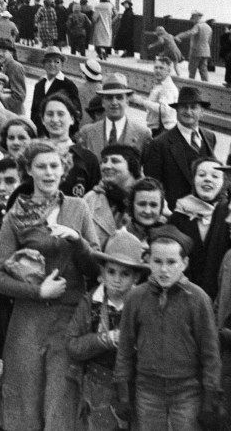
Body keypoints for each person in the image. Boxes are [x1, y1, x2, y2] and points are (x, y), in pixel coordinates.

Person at [0, 139, 100, 430]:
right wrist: (37, 291)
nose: (48, 172)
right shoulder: (16, 215)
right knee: (24, 402)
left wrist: (78, 241)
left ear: (64, 170)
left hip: (70, 318)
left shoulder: (79, 208)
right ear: (29, 171)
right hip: (28, 320)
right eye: (41, 166)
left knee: (61, 402)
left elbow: (98, 270)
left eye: (54, 166)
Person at [113, 226, 224, 430]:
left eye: (171, 262)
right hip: (147, 389)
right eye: (158, 261)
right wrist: (122, 391)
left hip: (187, 391)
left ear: (184, 263)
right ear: (148, 261)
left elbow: (211, 353)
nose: (164, 270)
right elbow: (125, 348)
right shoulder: (136, 298)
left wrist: (210, 397)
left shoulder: (198, 299)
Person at [65, 229, 149, 431]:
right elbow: (72, 345)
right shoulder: (91, 302)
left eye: (125, 274)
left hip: (136, 386)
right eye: (111, 271)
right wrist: (105, 339)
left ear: (136, 277)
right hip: (98, 385)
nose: (117, 279)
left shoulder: (144, 305)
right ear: (102, 272)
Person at [168, 157, 231, 299]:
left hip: (221, 299)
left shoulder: (228, 215)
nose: (208, 179)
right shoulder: (178, 217)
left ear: (224, 183)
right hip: (182, 298)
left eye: (215, 176)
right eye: (201, 175)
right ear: (193, 179)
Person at [142, 87, 217, 207]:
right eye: (183, 107)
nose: (188, 111)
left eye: (193, 107)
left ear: (202, 112)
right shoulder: (159, 143)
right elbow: (153, 185)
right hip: (175, 213)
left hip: (205, 211)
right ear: (176, 110)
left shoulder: (210, 137)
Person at [38, 92, 100, 198]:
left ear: (72, 119)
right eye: (49, 114)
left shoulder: (88, 159)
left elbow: (94, 201)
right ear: (43, 120)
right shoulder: (34, 154)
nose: (55, 119)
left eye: (60, 114)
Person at [74, 74, 151, 159]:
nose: (114, 102)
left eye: (119, 97)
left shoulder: (142, 134)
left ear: (127, 101)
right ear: (103, 102)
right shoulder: (87, 133)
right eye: (109, 98)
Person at [82, 144, 140, 249]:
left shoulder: (148, 196)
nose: (107, 166)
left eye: (115, 161)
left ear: (132, 166)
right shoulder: (91, 198)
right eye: (104, 161)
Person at [29, 47, 81, 134]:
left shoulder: (68, 85)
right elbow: (34, 111)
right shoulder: (39, 85)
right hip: (41, 135)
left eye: (56, 61)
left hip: (60, 134)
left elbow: (76, 114)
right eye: (48, 61)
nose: (52, 64)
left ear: (61, 64)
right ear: (44, 64)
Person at [176, 10, 214, 82]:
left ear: (196, 18)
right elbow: (209, 42)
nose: (192, 20)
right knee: (203, 71)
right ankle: (206, 87)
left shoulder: (198, 26)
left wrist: (179, 36)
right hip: (205, 52)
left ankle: (190, 86)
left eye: (193, 18)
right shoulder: (209, 27)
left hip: (196, 52)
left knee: (192, 71)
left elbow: (190, 33)